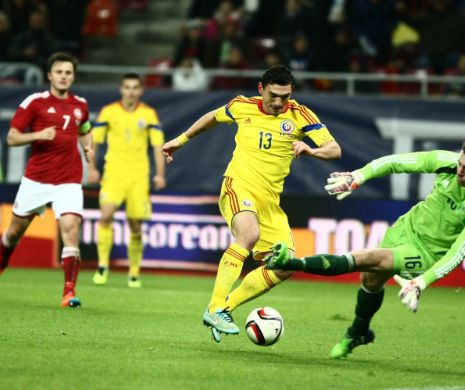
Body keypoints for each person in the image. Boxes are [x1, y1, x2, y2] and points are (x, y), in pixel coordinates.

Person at [162, 65, 341, 342]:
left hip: (270, 203)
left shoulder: (300, 114)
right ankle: (215, 307)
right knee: (248, 234)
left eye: (285, 96)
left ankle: (226, 309)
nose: (279, 102)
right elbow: (212, 117)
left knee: (285, 265)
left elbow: (334, 149)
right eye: (273, 95)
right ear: (261, 89)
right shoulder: (242, 106)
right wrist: (181, 140)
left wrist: (311, 149)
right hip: (239, 185)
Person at [265, 143, 465, 358]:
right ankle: (358, 332)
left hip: (427, 253)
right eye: (461, 163)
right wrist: (358, 177)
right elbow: (394, 162)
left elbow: (458, 251)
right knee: (370, 280)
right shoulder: (446, 161)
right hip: (404, 229)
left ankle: (292, 263)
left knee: (370, 258)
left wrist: (421, 282)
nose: (460, 171)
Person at [0, 52, 92, 308]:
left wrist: (88, 148)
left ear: (73, 77)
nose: (64, 77)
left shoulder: (80, 105)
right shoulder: (34, 102)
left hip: (69, 180)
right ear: (49, 75)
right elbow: (12, 138)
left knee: (71, 230)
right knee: (14, 232)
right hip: (36, 180)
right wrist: (38, 134)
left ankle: (68, 293)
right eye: (59, 72)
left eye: (68, 73)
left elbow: (84, 130)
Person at [88, 73, 166, 288]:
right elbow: (94, 142)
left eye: (135, 87)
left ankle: (133, 272)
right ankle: (103, 266)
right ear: (121, 89)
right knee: (105, 216)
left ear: (140, 90)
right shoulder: (108, 111)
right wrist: (92, 168)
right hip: (113, 172)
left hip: (139, 175)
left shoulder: (148, 114)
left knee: (135, 224)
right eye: (127, 87)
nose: (131, 91)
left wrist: (160, 174)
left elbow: (157, 146)